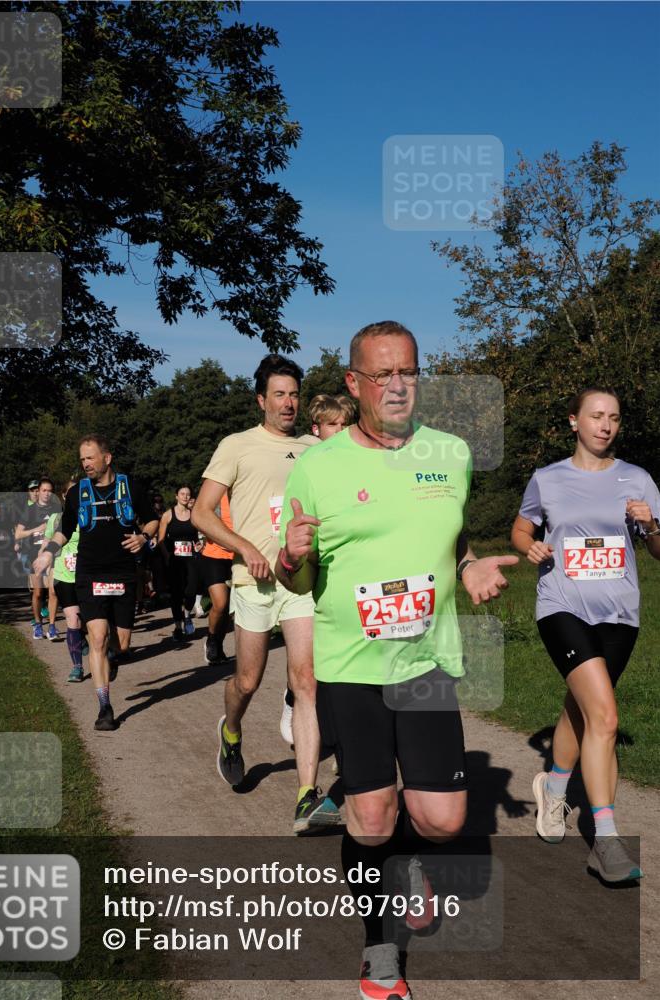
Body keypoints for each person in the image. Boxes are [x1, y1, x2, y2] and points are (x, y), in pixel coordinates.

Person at [277, 320, 517, 1000]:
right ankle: (379, 948)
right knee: (372, 818)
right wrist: (293, 556)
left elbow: (455, 537)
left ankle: (410, 863)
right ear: (354, 385)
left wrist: (467, 567)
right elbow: (295, 582)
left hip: (424, 662)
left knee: (440, 820)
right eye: (382, 374)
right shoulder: (318, 467)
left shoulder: (450, 453)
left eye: (408, 371)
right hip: (351, 666)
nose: (398, 385)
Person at [511, 387, 660, 884]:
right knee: (606, 714)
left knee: (584, 707)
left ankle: (554, 789)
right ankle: (607, 840)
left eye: (614, 418)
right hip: (562, 605)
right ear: (574, 420)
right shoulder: (548, 479)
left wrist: (651, 525)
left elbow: (659, 549)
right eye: (596, 416)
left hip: (619, 612)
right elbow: (521, 528)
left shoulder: (637, 479)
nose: (605, 425)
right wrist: (529, 547)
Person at [193, 353, 341, 835]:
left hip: (299, 581)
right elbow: (202, 513)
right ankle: (231, 731)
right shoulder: (237, 445)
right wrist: (244, 547)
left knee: (307, 682)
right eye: (279, 394)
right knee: (248, 681)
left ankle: (306, 797)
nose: (289, 402)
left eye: (295, 393)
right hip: (252, 581)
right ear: (261, 400)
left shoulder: (316, 447)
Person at [34, 436, 158, 731]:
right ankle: (105, 707)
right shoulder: (78, 493)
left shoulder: (131, 487)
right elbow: (65, 529)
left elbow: (153, 520)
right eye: (82, 459)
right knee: (97, 638)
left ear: (107, 458)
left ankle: (113, 656)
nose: (86, 464)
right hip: (89, 573)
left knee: (121, 644)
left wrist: (143, 537)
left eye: (90, 458)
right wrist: (48, 553)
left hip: (123, 573)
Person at [280, 392, 359, 744]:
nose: (340, 431)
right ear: (316, 429)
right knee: (308, 665)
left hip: (344, 575)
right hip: (304, 569)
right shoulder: (307, 465)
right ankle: (292, 697)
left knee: (342, 664)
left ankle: (347, 741)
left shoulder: (363, 462)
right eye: (332, 425)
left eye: (346, 424)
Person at [45, 479, 84, 682]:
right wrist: (48, 567)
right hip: (64, 574)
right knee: (73, 619)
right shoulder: (56, 518)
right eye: (71, 493)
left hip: (87, 575)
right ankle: (77, 666)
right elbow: (48, 543)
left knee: (90, 621)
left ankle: (86, 640)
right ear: (64, 496)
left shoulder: (89, 516)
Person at [15, 478, 60, 640]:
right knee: (39, 592)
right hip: (33, 554)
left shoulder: (57, 509)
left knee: (53, 591)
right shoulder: (30, 511)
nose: (47, 493)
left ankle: (53, 626)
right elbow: (18, 534)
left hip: (53, 554)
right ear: (38, 492)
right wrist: (37, 529)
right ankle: (38, 624)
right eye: (44, 490)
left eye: (50, 491)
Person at [158, 486, 201, 641]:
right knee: (176, 593)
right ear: (176, 496)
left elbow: (198, 537)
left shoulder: (194, 515)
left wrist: (198, 544)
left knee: (191, 590)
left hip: (191, 558)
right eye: (182, 494)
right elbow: (160, 540)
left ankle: (187, 615)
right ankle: (177, 627)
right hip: (175, 559)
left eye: (188, 494)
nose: (185, 496)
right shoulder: (168, 515)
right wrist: (167, 556)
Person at [199, 492, 234, 664]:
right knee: (220, 603)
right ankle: (211, 640)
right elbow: (201, 519)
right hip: (214, 555)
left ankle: (218, 644)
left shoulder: (246, 491)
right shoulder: (216, 493)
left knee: (229, 608)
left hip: (239, 555)